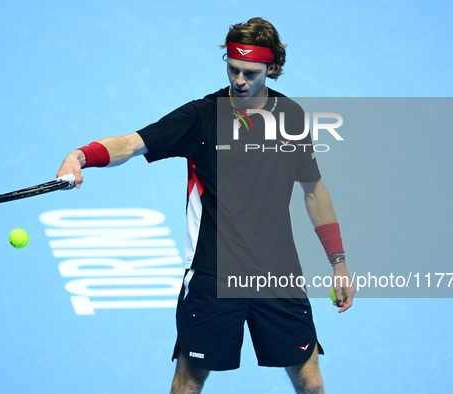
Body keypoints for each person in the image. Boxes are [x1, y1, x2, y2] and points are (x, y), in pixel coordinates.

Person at [57, 17, 355, 394]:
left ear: (272, 68)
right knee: (188, 384)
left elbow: (313, 189)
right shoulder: (201, 118)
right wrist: (80, 156)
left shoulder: (290, 117)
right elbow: (132, 143)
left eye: (251, 72)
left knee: (311, 384)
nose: (240, 81)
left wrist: (338, 263)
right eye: (233, 69)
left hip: (278, 274)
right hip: (213, 275)